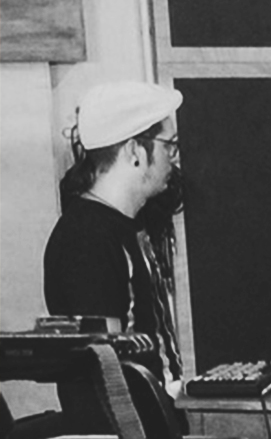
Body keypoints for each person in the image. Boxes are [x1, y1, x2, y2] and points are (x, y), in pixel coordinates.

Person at [44, 80, 185, 394]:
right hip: (127, 423)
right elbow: (106, 369)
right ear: (134, 150)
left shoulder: (126, 224)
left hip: (157, 413)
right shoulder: (86, 239)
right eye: (169, 145)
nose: (174, 158)